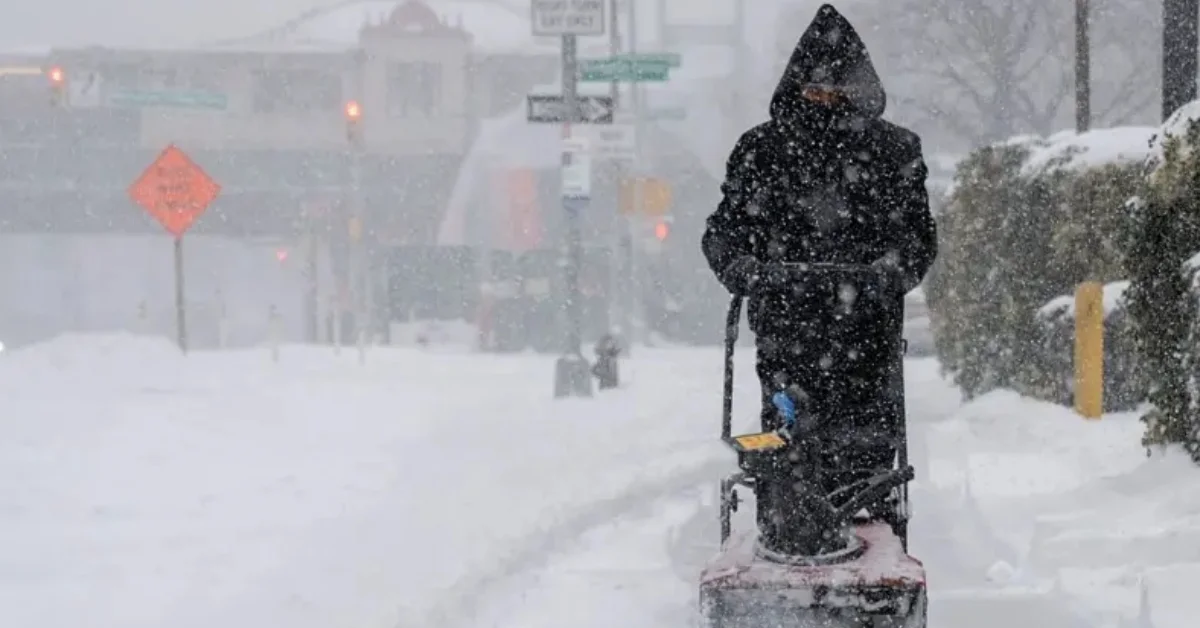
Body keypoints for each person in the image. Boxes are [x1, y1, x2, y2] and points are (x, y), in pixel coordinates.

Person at [701, 4, 937, 523]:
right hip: (788, 325)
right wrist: (742, 268)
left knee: (866, 437)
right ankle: (785, 512)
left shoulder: (894, 151)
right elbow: (723, 232)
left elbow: (917, 238)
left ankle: (865, 505)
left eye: (836, 89)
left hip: (866, 328)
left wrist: (890, 271)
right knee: (789, 431)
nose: (824, 100)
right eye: (815, 88)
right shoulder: (761, 151)